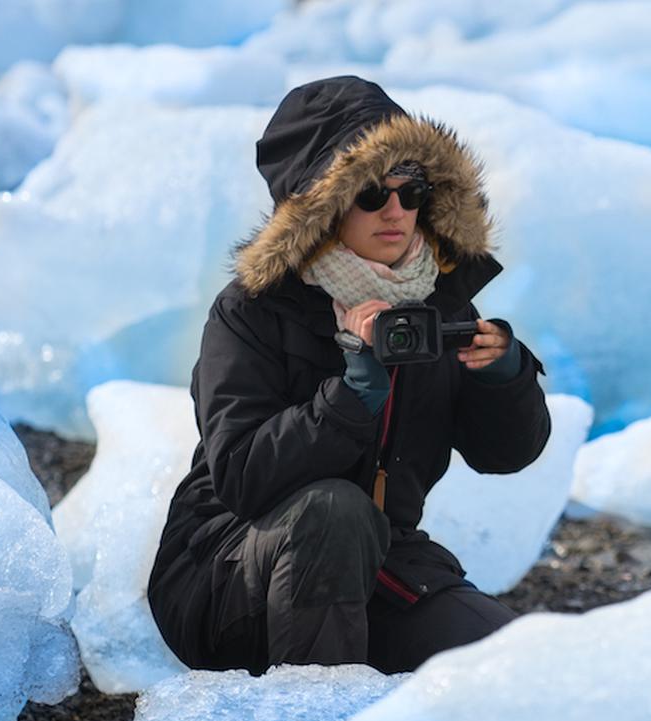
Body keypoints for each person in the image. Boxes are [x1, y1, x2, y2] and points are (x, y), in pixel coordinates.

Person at [148, 76, 551, 675]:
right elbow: (240, 476)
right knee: (334, 509)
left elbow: (506, 455)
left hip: (382, 563)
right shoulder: (254, 310)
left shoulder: (439, 305)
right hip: (230, 570)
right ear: (323, 203)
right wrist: (349, 399)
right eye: (369, 193)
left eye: (410, 190)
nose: (395, 211)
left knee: (521, 667)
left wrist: (506, 377)